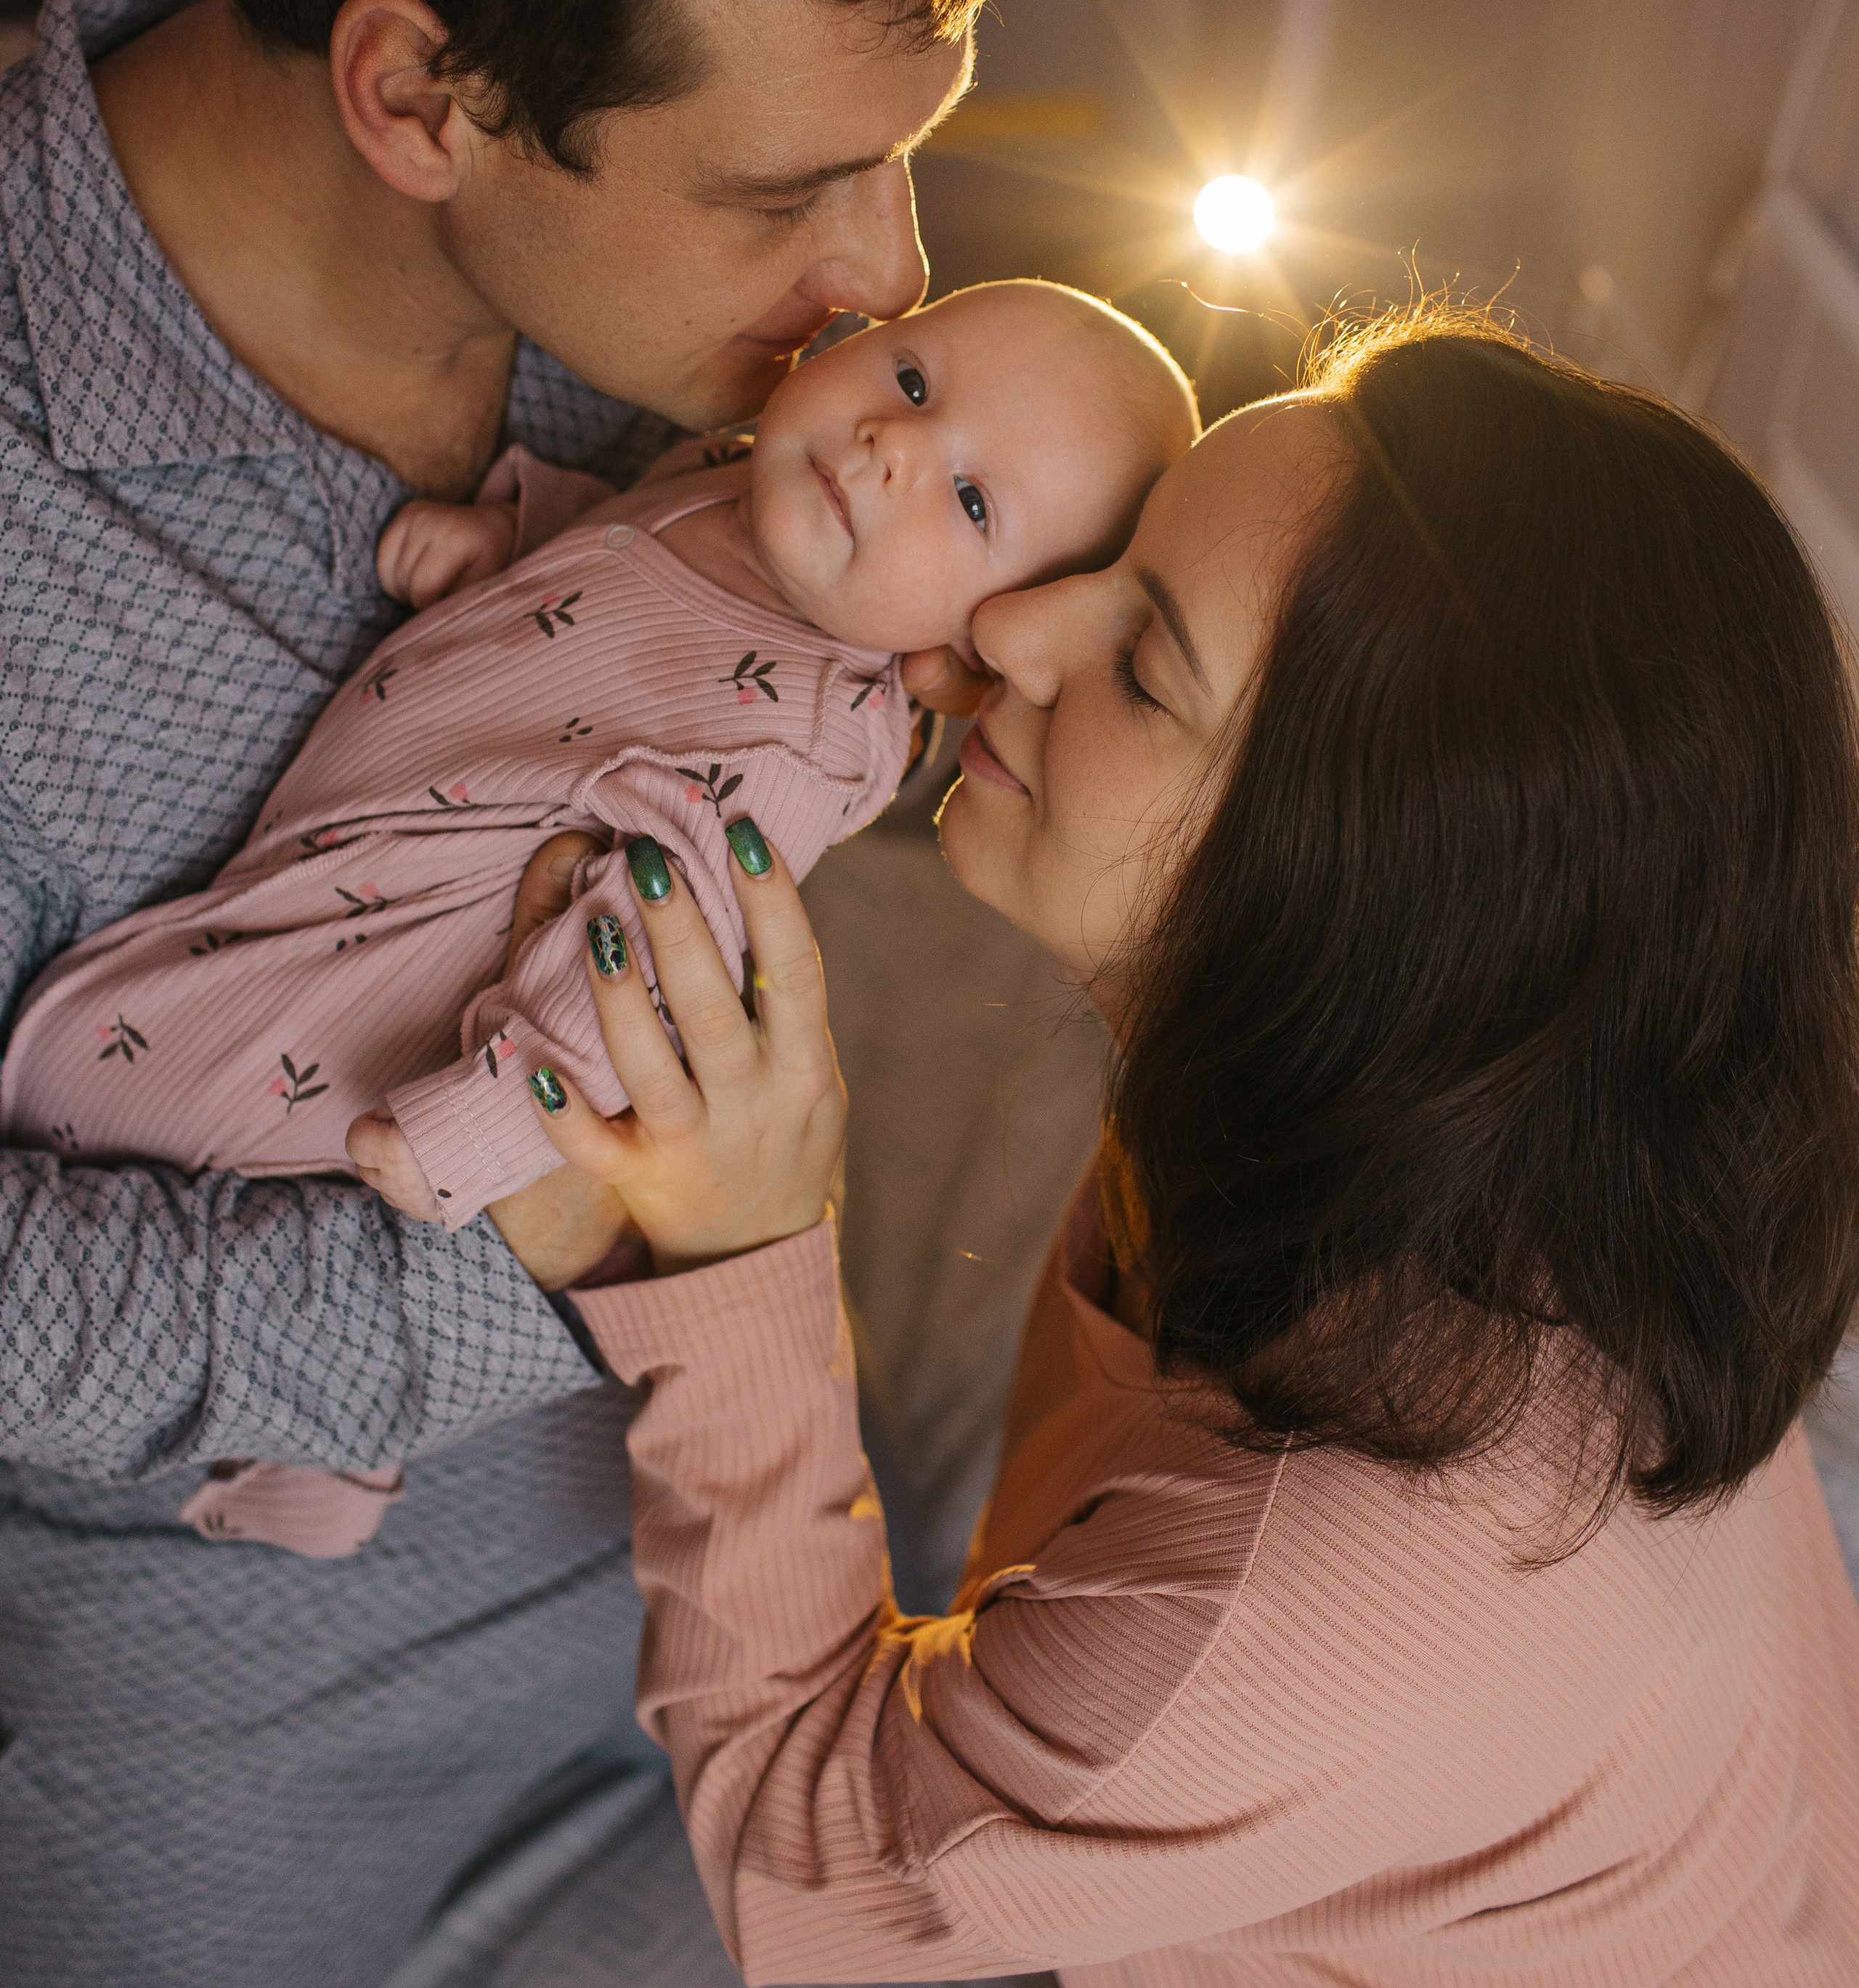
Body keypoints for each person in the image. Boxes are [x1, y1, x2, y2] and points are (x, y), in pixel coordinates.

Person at [0, 0, 1020, 1988]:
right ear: (421, 90)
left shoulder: (682, 339)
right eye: (793, 191)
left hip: (735, 1549)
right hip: (238, 1760)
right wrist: (564, 1262)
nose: (883, 278)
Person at [516, 309, 1859, 1988]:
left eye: (1145, 669)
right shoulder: (1499, 1118)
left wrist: (745, 1253)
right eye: (1124, 556)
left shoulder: (1313, 1589)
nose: (1005, 626)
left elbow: (797, 1855)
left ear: (1352, 912)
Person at [2, 282, 1192, 1557]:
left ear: (986, 641)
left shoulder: (808, 739)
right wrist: (511, 533)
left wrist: (484, 1123)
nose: (892, 445)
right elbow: (620, 560)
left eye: (970, 502)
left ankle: (325, 1464)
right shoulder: (727, 476)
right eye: (912, 381)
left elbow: (644, 937)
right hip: (374, 803)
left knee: (149, 1081)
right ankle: (324, 1445)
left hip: (420, 930)